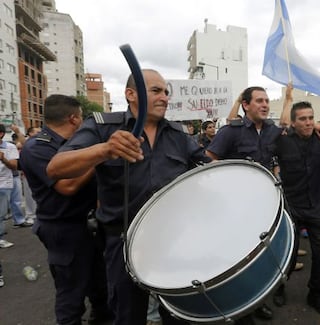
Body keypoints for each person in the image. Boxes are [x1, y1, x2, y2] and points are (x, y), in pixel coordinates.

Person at [47, 70, 211, 325]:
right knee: (127, 315)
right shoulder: (103, 126)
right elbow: (56, 167)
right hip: (122, 243)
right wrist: (105, 149)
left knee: (180, 312)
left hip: (174, 242)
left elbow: (209, 171)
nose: (165, 98)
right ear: (131, 94)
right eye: (156, 91)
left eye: (166, 92)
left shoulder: (179, 134)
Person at [19, 95, 111, 325]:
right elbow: (67, 186)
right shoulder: (37, 148)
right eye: (80, 118)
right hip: (63, 229)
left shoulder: (76, 147)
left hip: (89, 226)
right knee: (71, 297)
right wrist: (100, 155)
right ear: (74, 118)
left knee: (101, 290)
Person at [206, 86, 282, 321]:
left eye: (267, 101)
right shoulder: (231, 131)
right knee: (238, 259)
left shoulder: (273, 131)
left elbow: (278, 156)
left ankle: (258, 302)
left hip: (264, 205)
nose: (265, 105)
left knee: (261, 257)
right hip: (234, 209)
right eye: (259, 100)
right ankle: (237, 306)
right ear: (246, 105)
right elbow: (209, 160)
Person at [273, 95, 320, 317]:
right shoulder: (282, 140)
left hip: (316, 206)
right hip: (291, 206)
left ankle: (316, 293)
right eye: (303, 119)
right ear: (293, 122)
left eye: (311, 118)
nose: (308, 122)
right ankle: (279, 286)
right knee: (286, 253)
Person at [11, 125, 40, 224]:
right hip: (28, 173)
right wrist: (18, 131)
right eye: (36, 131)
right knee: (29, 196)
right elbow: (24, 143)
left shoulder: (41, 141)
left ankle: (38, 214)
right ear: (30, 133)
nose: (39, 133)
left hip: (40, 173)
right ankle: (30, 215)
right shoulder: (26, 142)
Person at [0, 124, 19, 248]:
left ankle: (0, 238)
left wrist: (3, 159)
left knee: (0, 214)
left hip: (3, 184)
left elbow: (14, 166)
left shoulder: (10, 147)